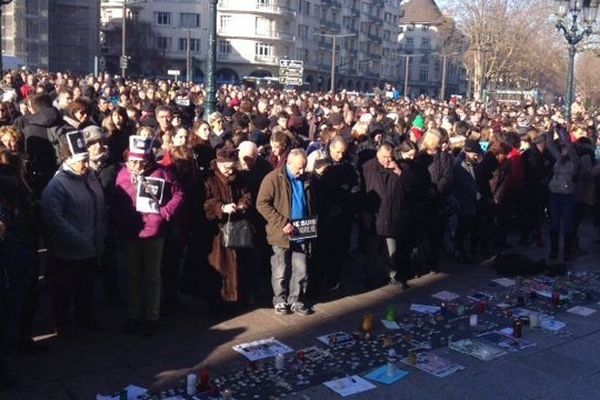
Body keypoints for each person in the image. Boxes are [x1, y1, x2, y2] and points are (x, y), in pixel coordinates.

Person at [112, 136, 184, 335]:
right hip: (130, 230)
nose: (136, 166)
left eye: (140, 162)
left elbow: (178, 194)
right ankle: (134, 314)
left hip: (154, 231)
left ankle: (152, 315)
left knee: (152, 275)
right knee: (133, 274)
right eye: (132, 162)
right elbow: (116, 201)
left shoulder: (162, 173)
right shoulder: (122, 175)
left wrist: (165, 213)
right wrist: (118, 220)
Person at [41, 131, 106, 337]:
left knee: (86, 286)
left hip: (91, 242)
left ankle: (85, 317)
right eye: (82, 162)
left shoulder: (90, 177)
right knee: (65, 287)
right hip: (69, 247)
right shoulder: (58, 184)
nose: (86, 166)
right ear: (69, 161)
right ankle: (63, 323)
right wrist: (78, 238)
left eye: (87, 160)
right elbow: (54, 218)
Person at [257, 148, 313, 315]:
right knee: (280, 269)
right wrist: (282, 222)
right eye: (298, 168)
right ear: (289, 163)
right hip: (281, 232)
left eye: (304, 167)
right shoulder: (273, 178)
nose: (302, 171)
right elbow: (262, 204)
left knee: (300, 269)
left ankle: (295, 299)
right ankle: (279, 299)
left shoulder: (306, 178)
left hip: (301, 230)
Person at [204, 148, 253, 309]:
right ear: (218, 164)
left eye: (232, 167)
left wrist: (242, 204)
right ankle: (218, 302)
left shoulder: (239, 178)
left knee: (239, 264)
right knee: (220, 266)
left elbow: (246, 195)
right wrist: (221, 208)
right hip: (217, 232)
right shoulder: (208, 179)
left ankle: (237, 297)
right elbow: (203, 203)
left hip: (237, 227)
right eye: (226, 168)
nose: (230, 171)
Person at [362, 144, 412, 288]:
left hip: (392, 215)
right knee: (372, 250)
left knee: (391, 250)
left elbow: (408, 188)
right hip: (375, 215)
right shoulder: (368, 168)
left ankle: (392, 275)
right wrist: (365, 213)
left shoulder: (398, 168)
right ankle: (370, 278)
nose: (387, 160)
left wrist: (399, 172)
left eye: (390, 157)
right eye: (384, 157)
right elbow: (364, 192)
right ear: (378, 155)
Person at [453, 139, 483, 262]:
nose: (476, 156)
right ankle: (460, 252)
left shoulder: (467, 162)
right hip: (463, 201)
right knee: (463, 228)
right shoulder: (460, 164)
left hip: (468, 201)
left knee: (466, 227)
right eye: (475, 154)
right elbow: (466, 183)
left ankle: (462, 251)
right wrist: (475, 193)